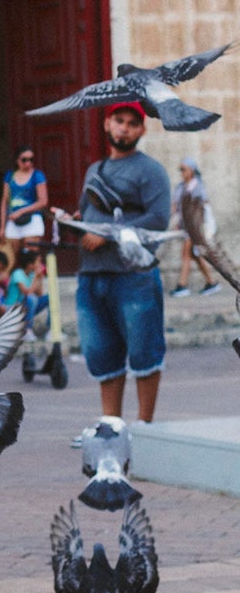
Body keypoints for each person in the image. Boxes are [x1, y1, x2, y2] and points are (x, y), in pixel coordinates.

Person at [75, 102, 171, 422]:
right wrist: (73, 221)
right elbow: (86, 213)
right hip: (92, 275)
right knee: (101, 355)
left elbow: (158, 220)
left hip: (134, 277)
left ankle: (145, 428)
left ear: (142, 129)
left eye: (132, 123)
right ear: (107, 124)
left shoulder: (151, 171)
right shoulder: (94, 170)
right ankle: (111, 428)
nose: (124, 128)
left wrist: (108, 235)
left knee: (145, 354)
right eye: (119, 120)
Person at [170, 161, 219, 297]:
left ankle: (182, 285)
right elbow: (175, 205)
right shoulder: (181, 187)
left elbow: (204, 205)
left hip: (194, 226)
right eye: (180, 169)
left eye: (184, 169)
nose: (182, 172)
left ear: (191, 170)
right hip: (185, 225)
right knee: (195, 255)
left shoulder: (197, 186)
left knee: (185, 254)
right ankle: (211, 282)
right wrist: (176, 220)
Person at [0, 147, 48, 264]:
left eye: (31, 160)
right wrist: (2, 226)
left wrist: (21, 212)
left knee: (31, 256)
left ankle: (36, 275)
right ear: (17, 160)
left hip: (32, 218)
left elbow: (43, 201)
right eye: (24, 160)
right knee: (9, 257)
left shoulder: (37, 175)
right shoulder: (10, 176)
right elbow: (5, 201)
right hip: (12, 220)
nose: (28, 163)